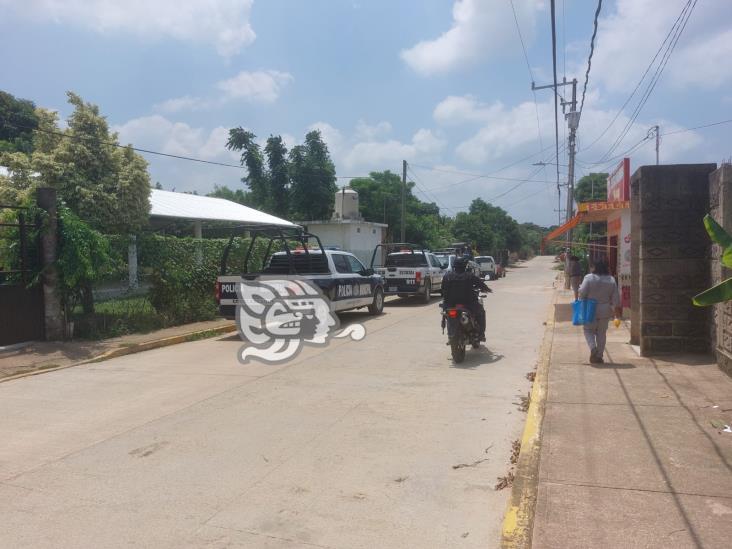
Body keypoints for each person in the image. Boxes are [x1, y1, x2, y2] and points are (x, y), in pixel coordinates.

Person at [578, 259, 621, 364]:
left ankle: (593, 348)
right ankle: (599, 355)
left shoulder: (588, 278)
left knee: (588, 330)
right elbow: (616, 299)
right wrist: (616, 313)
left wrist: (580, 298)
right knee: (601, 333)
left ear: (595, 268)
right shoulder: (611, 280)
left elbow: (582, 293)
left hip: (590, 309)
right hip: (605, 310)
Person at [442, 256, 491, 341]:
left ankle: (450, 334)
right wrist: (487, 289)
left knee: (446, 314)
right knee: (481, 312)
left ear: (454, 265)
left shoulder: (447, 276)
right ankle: (481, 334)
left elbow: (443, 289)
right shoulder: (469, 276)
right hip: (469, 304)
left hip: (451, 304)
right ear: (465, 266)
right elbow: (480, 284)